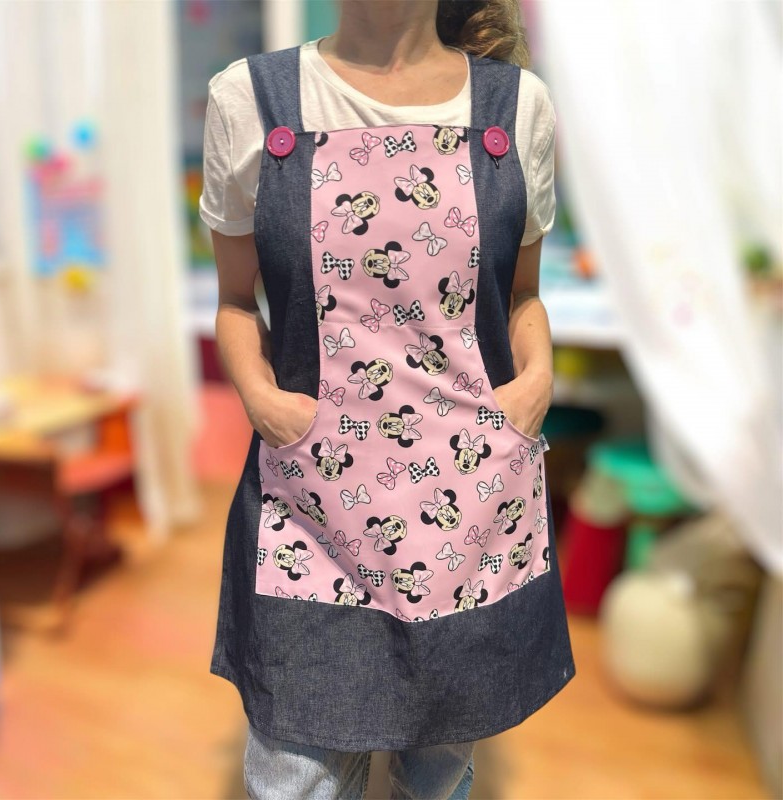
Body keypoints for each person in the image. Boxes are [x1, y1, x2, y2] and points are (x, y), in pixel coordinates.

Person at [199, 1, 576, 797]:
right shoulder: (252, 100)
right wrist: (262, 399)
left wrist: (535, 383)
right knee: (294, 776)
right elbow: (234, 301)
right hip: (315, 505)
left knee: (438, 773)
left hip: (465, 505)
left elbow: (522, 296)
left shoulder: (515, 108)